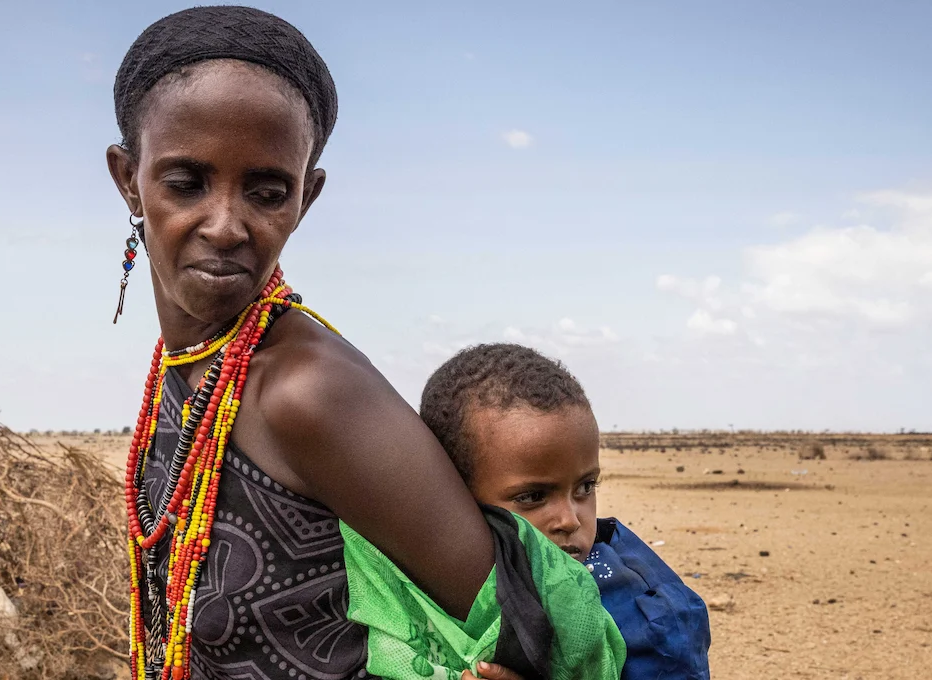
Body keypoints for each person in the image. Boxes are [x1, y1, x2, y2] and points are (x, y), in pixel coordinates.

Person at [106, 8, 618, 680]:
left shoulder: (307, 390)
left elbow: (550, 629)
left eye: (267, 192)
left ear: (307, 197)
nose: (226, 224)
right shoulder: (191, 369)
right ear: (127, 180)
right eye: (186, 183)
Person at [420, 344, 713, 680]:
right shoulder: (421, 577)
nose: (571, 519)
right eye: (533, 496)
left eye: (586, 488)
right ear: (455, 498)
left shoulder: (646, 620)